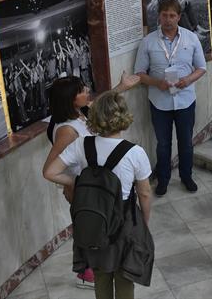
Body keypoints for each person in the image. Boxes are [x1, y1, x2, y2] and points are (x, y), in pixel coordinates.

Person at [43, 91, 154, 299]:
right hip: (124, 220)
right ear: (123, 117)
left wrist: (77, 182)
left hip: (95, 220)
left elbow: (49, 172)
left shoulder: (81, 145)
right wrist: (144, 222)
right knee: (124, 277)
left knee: (101, 275)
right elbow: (145, 193)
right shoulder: (134, 152)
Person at [134, 0, 207, 196]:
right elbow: (139, 73)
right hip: (160, 102)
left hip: (185, 100)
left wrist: (188, 80)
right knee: (163, 144)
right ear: (159, 16)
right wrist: (157, 83)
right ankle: (163, 180)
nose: (168, 20)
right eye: (164, 15)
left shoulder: (191, 38)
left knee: (186, 142)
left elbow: (202, 68)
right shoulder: (148, 42)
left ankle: (186, 176)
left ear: (179, 17)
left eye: (172, 16)